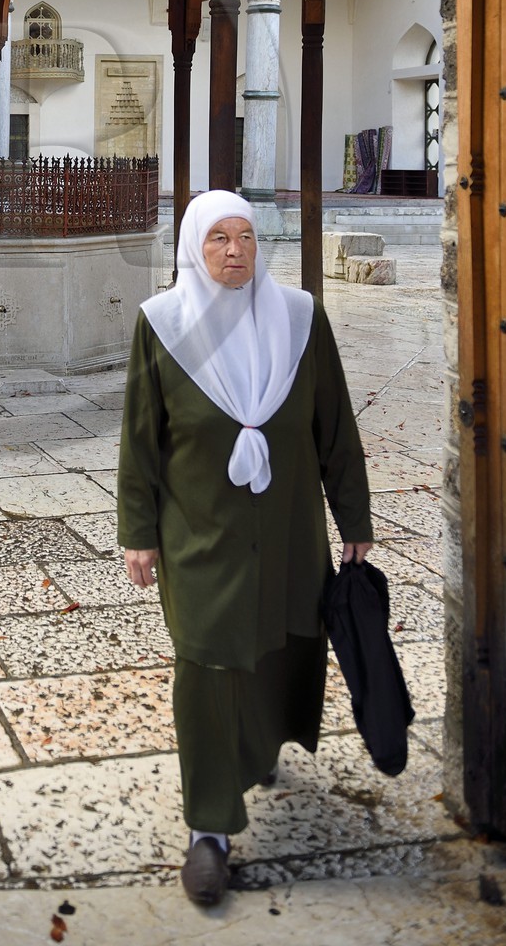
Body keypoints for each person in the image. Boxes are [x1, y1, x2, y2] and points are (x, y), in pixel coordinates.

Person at [117, 189, 372, 906]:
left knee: (281, 642)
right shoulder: (162, 325)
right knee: (207, 660)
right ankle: (209, 830)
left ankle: (256, 751)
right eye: (217, 239)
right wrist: (136, 531)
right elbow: (140, 437)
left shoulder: (297, 318)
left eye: (246, 237)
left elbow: (334, 425)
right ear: (192, 249)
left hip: (288, 527)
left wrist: (353, 518)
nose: (234, 251)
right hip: (198, 532)